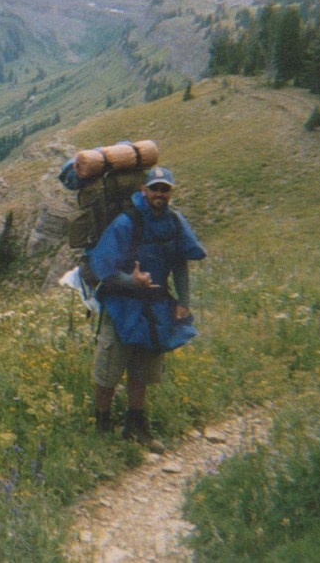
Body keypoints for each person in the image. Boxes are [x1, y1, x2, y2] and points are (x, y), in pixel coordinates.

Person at [88, 165, 206, 449]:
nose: (160, 194)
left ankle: (135, 424)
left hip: (154, 306)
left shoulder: (174, 223)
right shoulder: (126, 222)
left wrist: (184, 302)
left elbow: (180, 263)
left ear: (170, 192)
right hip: (120, 306)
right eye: (155, 188)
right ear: (144, 190)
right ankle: (101, 425)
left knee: (142, 368)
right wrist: (133, 281)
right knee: (108, 369)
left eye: (165, 189)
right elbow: (103, 268)